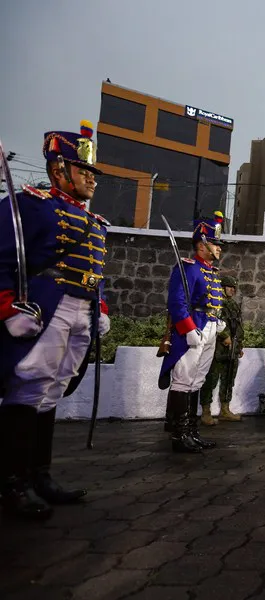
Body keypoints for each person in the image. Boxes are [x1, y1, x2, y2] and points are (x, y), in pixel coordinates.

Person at [0, 121, 110, 519]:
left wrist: (101, 309)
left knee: (52, 391)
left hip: (80, 309)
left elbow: (96, 272)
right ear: (58, 170)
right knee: (28, 389)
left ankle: (39, 475)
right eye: (85, 171)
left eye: (93, 173)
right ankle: (12, 483)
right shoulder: (32, 206)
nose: (92, 180)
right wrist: (7, 307)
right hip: (48, 305)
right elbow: (2, 260)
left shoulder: (94, 223)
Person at [158, 214, 226, 454]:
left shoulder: (210, 270)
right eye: (216, 244)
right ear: (202, 244)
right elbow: (177, 302)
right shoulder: (188, 267)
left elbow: (212, 302)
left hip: (208, 326)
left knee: (197, 380)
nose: (219, 248)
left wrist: (217, 322)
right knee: (183, 379)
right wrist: (188, 329)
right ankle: (180, 434)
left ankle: (192, 431)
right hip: (193, 327)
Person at [199, 275, 244, 425]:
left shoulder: (234, 305)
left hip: (232, 349)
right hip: (217, 349)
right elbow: (213, 321)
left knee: (228, 380)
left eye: (233, 288)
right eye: (229, 287)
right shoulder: (217, 303)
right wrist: (224, 336)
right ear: (222, 288)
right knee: (211, 380)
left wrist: (240, 345)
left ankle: (225, 409)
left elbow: (238, 326)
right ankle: (206, 411)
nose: (232, 290)